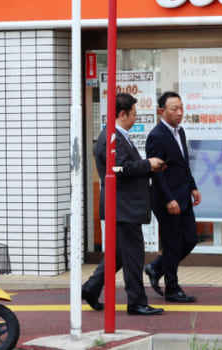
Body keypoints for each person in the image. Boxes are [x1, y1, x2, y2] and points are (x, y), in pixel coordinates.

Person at [82, 93, 166, 316]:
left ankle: (90, 288)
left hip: (123, 205)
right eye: (134, 114)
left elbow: (124, 167)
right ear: (122, 114)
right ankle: (136, 302)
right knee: (133, 257)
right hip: (123, 207)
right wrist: (148, 164)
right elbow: (119, 168)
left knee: (118, 255)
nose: (135, 118)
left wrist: (148, 166)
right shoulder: (112, 138)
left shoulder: (117, 136)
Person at [144, 92, 201, 303]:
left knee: (190, 239)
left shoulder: (180, 132)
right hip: (166, 199)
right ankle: (172, 288)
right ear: (162, 111)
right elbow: (156, 173)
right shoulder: (156, 136)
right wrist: (168, 199)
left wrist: (193, 187)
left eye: (181, 108)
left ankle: (156, 267)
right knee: (172, 243)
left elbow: (183, 164)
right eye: (174, 109)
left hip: (183, 195)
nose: (179, 112)